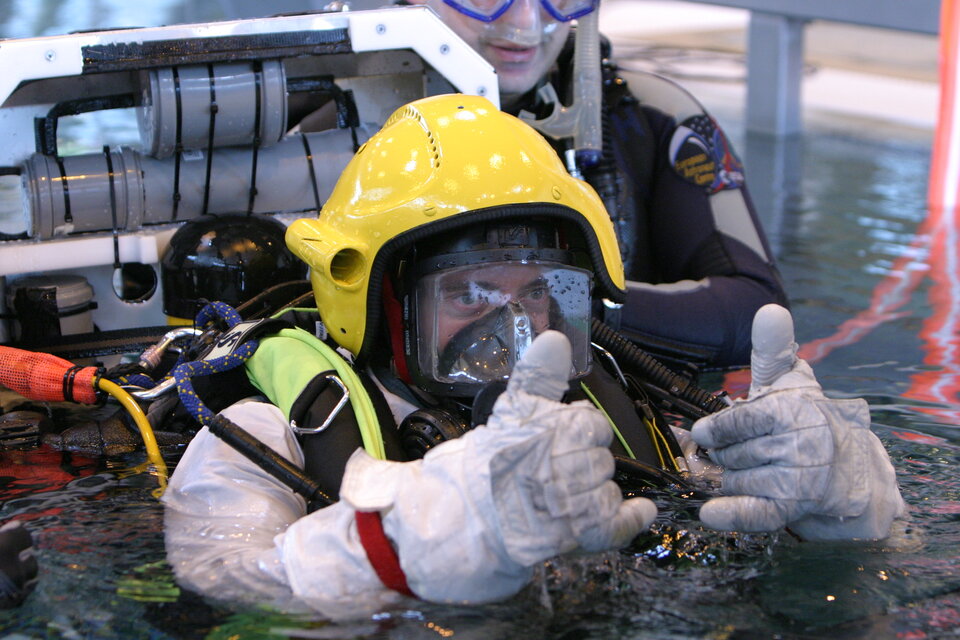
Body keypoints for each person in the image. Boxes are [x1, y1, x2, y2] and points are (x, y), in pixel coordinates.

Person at [162, 95, 905, 618]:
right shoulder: (268, 438)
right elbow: (221, 582)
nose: (513, 331)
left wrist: (844, 488)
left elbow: (861, 540)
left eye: (539, 294)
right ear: (381, 307)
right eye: (473, 293)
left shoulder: (615, 415)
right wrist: (424, 538)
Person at [385, 0, 789, 370]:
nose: (527, 21)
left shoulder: (652, 117)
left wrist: (562, 300)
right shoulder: (329, 133)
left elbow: (759, 316)